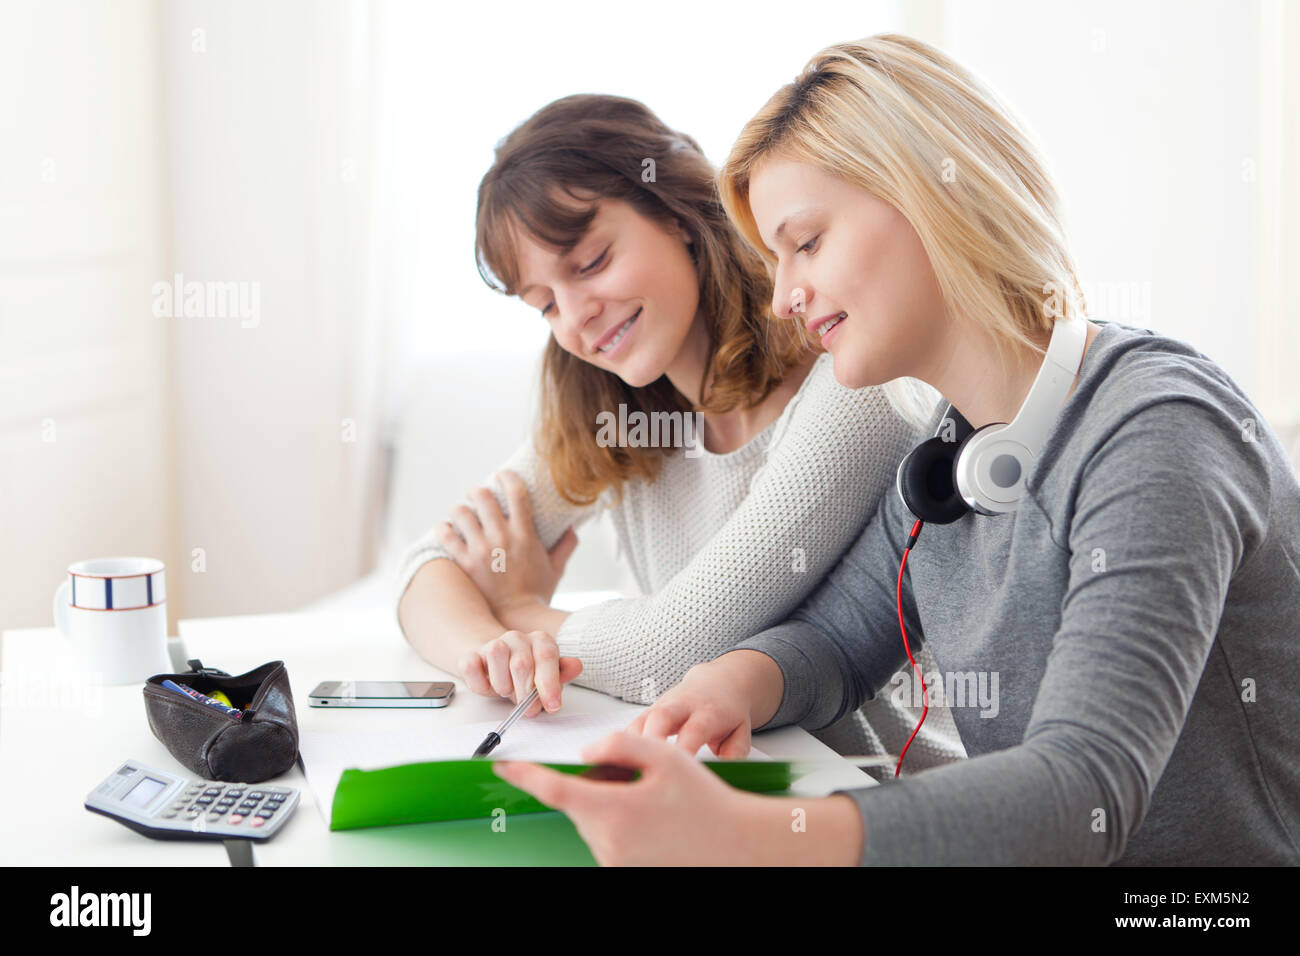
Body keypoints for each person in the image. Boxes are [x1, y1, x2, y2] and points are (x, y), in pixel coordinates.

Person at [492, 34, 1300, 866]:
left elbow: (1085, 788)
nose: (781, 298)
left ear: (927, 193)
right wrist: (733, 682)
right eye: (774, 259)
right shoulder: (951, 456)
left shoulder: (1157, 430)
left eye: (805, 243)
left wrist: (748, 838)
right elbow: (839, 642)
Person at [395, 92, 966, 771]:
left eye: (591, 263)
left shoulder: (853, 387)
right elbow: (428, 568)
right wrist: (489, 648)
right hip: (720, 795)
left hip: (878, 801)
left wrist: (518, 606)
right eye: (544, 304)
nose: (577, 317)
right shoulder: (616, 410)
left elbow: (669, 652)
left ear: (677, 215)